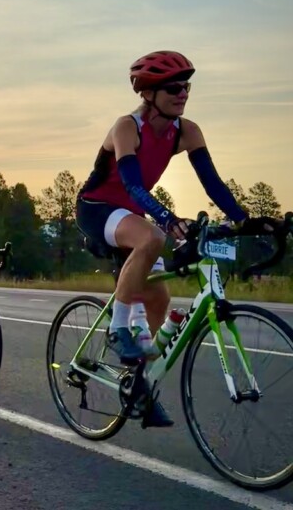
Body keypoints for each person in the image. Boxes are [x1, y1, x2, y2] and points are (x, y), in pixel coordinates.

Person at [76, 50, 250, 427]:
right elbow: (132, 185)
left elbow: (213, 184)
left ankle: (139, 386)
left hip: (132, 216)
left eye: (186, 86)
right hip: (97, 207)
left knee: (159, 298)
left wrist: (245, 219)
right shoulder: (127, 127)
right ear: (148, 93)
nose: (183, 93)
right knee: (152, 237)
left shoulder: (186, 131)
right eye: (174, 87)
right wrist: (168, 219)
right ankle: (118, 328)